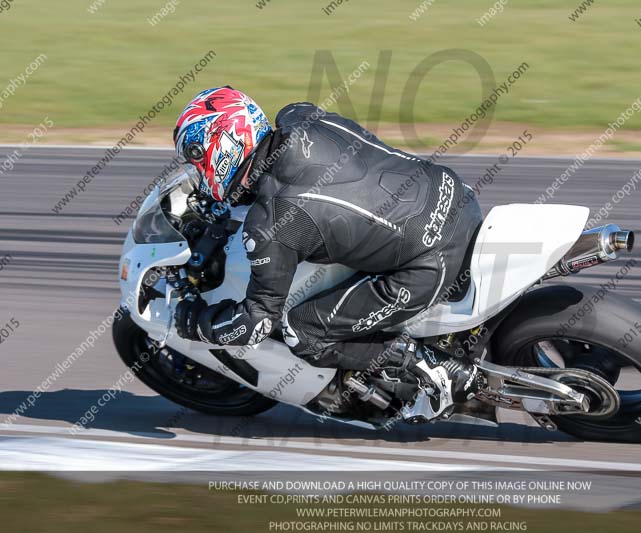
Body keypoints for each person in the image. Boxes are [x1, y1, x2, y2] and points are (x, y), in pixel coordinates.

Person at [172, 86, 482, 421]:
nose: (199, 172)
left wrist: (197, 324)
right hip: (455, 194)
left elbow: (256, 324)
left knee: (301, 332)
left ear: (225, 145)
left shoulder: (269, 226)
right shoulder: (299, 115)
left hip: (429, 262)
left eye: (198, 159)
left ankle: (430, 366)